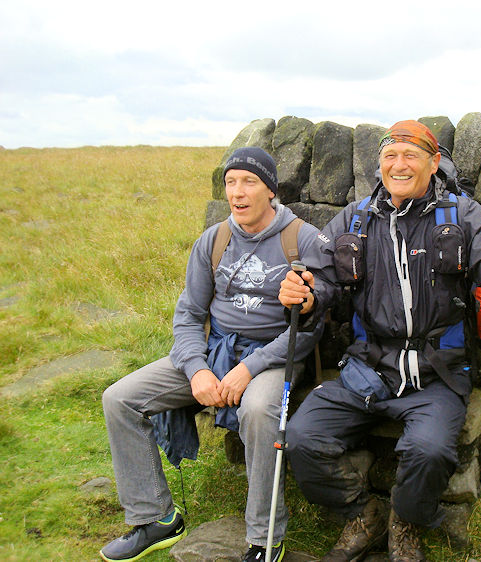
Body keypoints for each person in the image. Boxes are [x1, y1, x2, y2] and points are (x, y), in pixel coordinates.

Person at [278, 121, 481, 561]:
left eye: (411, 156)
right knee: (301, 438)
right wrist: (304, 296)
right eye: (390, 157)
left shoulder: (461, 216)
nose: (399, 165)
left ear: (434, 163)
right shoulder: (356, 218)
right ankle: (363, 516)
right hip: (366, 368)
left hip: (437, 373)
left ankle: (405, 524)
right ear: (379, 164)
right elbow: (319, 277)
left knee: (430, 450)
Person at [100, 147, 323, 562]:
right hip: (214, 351)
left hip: (274, 358)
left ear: (271, 190)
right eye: (230, 182)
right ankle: (156, 518)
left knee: (257, 411)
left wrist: (248, 369)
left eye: (249, 182)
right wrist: (197, 369)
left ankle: (264, 538)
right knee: (120, 398)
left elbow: (309, 329)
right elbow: (187, 314)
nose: (237, 192)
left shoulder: (301, 239)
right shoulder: (215, 239)